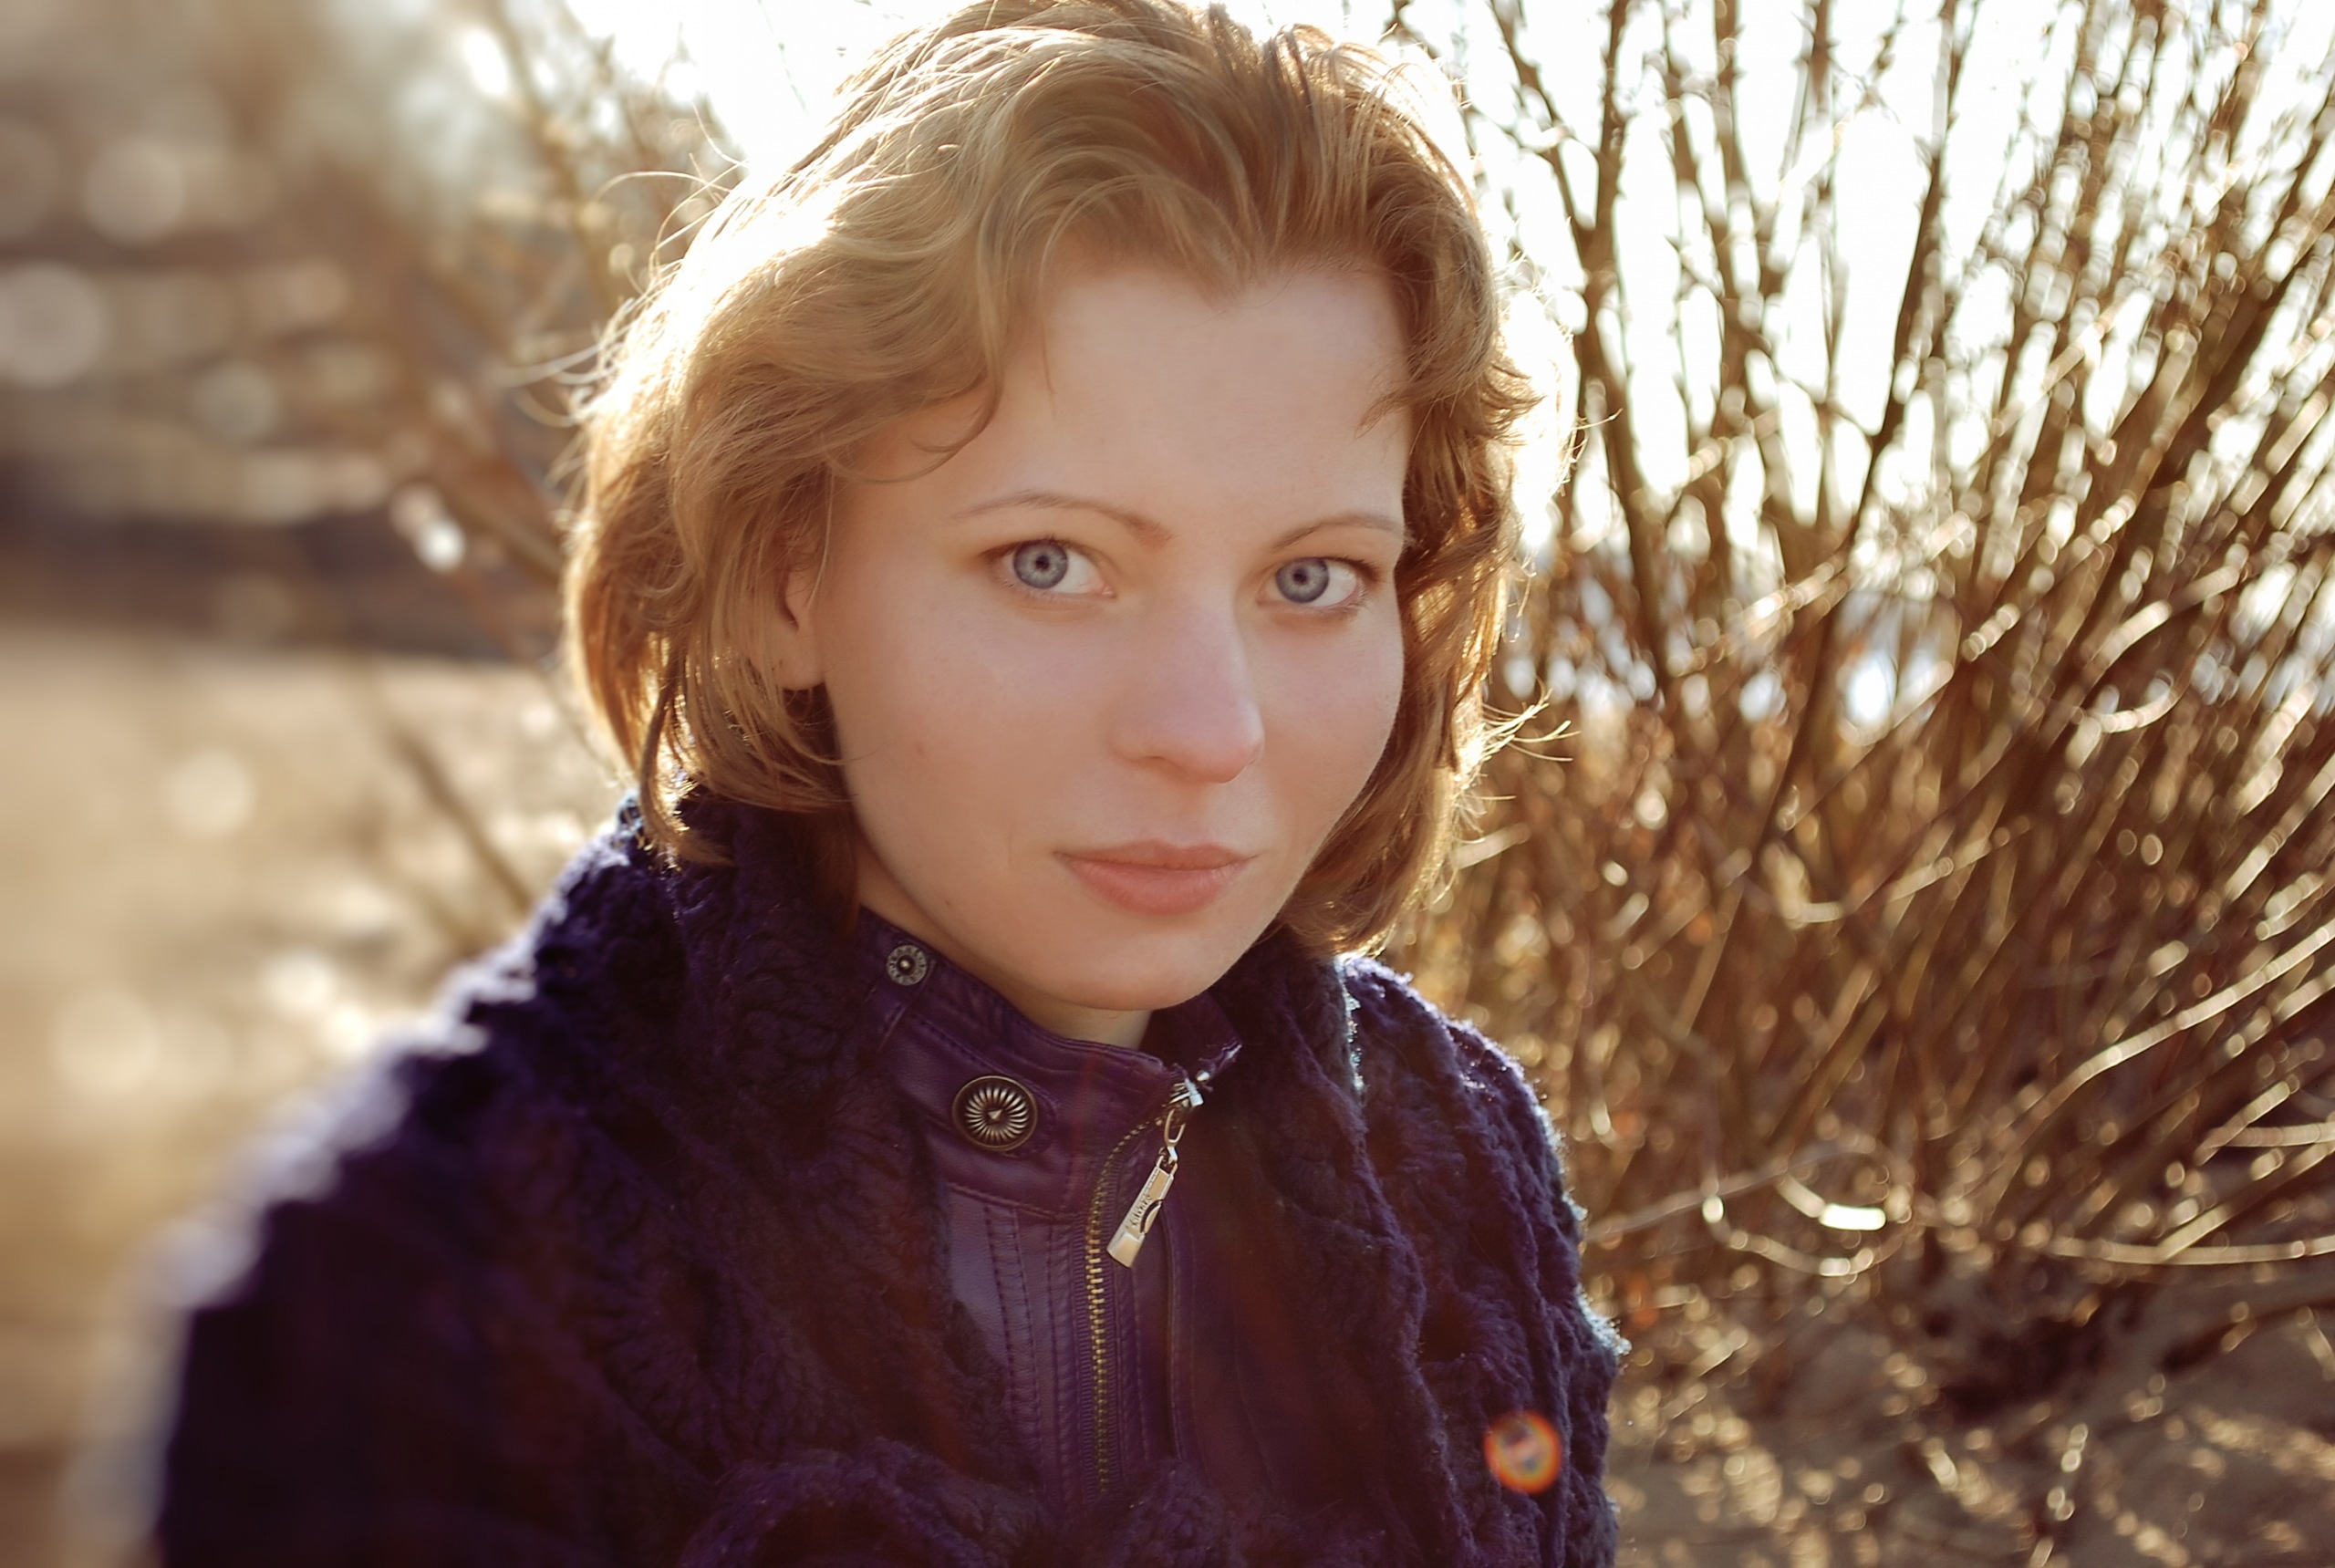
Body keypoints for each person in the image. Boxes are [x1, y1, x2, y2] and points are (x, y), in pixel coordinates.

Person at [156, 2, 1621, 1562]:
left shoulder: (1459, 1157)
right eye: (1050, 561)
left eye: (1313, 578)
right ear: (784, 572)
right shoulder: (415, 1284)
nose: (1211, 730)